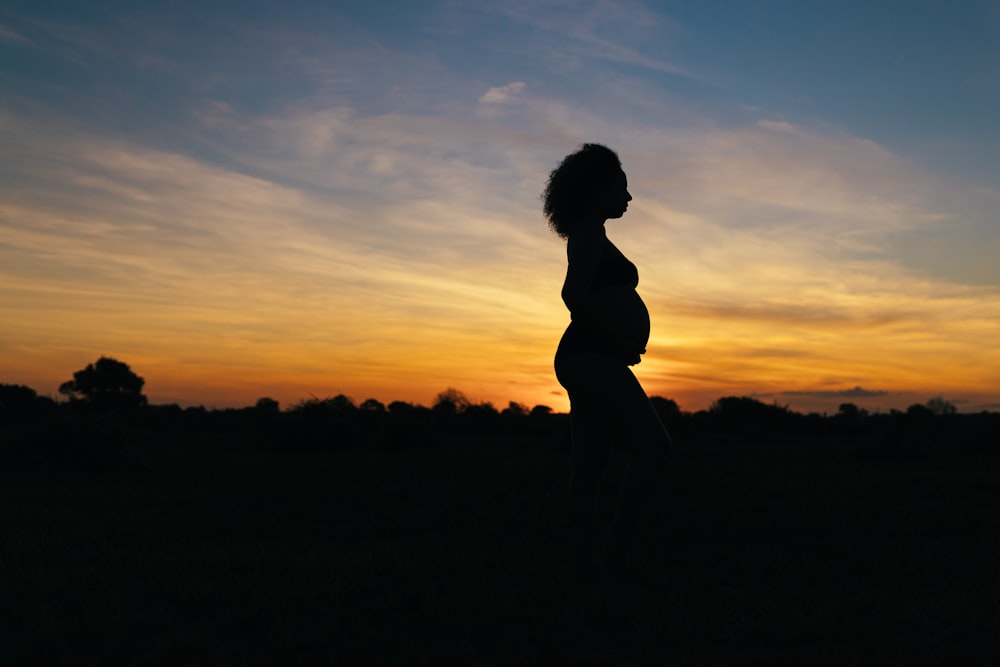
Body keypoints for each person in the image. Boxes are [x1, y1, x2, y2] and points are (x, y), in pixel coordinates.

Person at [544, 143, 671, 583]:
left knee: (591, 463)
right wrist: (615, 338)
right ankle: (614, 557)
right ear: (597, 188)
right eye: (622, 187)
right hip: (591, 353)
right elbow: (573, 295)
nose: (629, 198)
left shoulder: (592, 233)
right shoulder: (588, 233)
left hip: (589, 354)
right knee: (655, 448)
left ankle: (583, 563)